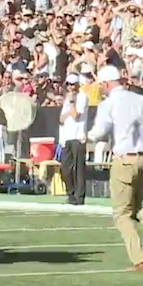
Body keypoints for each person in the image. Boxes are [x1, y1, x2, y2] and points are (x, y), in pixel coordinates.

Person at [87, 65, 143, 271]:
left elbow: (100, 131)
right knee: (134, 207)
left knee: (121, 214)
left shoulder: (109, 103)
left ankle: (140, 260)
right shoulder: (141, 100)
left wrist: (86, 137)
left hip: (125, 160)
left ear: (106, 84)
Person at [59, 73, 89, 205]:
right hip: (68, 137)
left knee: (79, 169)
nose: (70, 87)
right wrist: (70, 107)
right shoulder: (67, 99)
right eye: (68, 84)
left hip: (78, 136)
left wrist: (71, 102)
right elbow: (61, 118)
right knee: (65, 167)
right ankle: (70, 194)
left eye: (72, 84)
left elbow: (76, 115)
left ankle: (79, 197)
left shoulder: (82, 97)